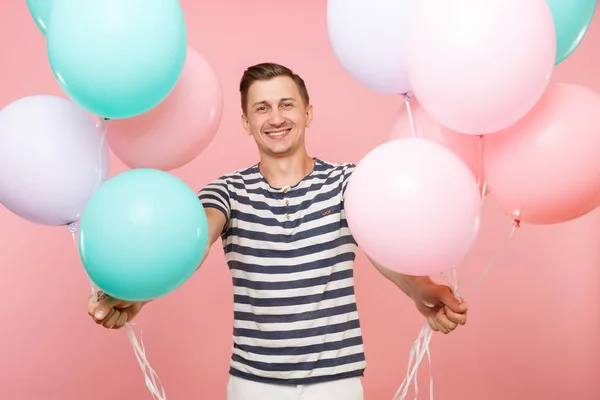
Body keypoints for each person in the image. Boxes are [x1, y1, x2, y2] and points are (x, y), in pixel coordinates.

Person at [87, 62, 468, 399]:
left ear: (307, 111)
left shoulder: (348, 183)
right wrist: (138, 294)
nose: (276, 118)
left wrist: (422, 288)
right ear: (246, 122)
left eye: (286, 104)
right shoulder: (228, 191)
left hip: (336, 384)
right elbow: (191, 245)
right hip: (253, 385)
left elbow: (381, 248)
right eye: (262, 108)